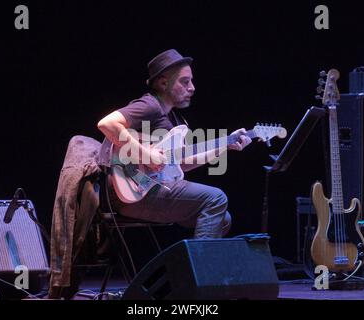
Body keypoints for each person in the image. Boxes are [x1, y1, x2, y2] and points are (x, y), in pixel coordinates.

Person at [97, 49, 251, 238]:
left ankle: (191, 264)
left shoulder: (175, 120)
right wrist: (146, 155)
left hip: (150, 190)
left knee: (222, 219)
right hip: (132, 192)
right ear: (163, 83)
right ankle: (200, 266)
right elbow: (107, 124)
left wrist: (225, 145)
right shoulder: (150, 106)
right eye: (185, 82)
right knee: (216, 198)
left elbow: (182, 162)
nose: (192, 88)